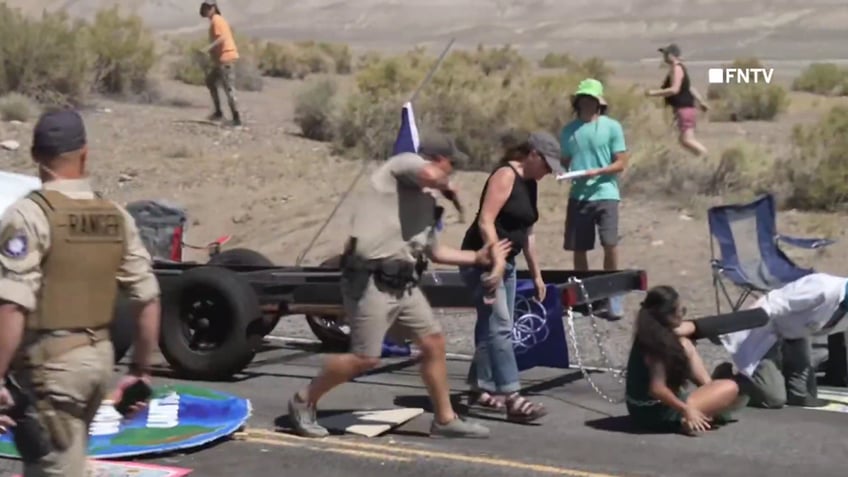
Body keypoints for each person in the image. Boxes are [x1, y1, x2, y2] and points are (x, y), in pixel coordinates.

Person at [288, 133, 510, 439]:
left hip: (404, 285)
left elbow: (435, 252)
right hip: (370, 280)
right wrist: (447, 186)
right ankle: (304, 399)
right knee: (365, 357)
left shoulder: (426, 203)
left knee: (433, 342)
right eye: (451, 162)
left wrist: (477, 256)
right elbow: (428, 174)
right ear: (437, 159)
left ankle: (445, 419)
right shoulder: (402, 165)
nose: (453, 169)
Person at [0, 110, 161, 476]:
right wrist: (141, 370)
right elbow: (147, 297)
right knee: (67, 462)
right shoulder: (115, 215)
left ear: (35, 156)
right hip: (97, 364)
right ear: (84, 153)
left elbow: (13, 305)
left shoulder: (28, 216)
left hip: (50, 373)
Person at [458, 131, 563, 422]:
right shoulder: (505, 175)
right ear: (532, 155)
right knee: (501, 326)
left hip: (508, 263)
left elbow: (527, 233)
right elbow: (485, 220)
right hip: (480, 261)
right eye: (546, 165)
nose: (547, 173)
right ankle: (512, 396)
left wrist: (538, 275)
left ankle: (479, 388)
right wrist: (495, 257)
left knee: (490, 326)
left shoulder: (530, 184)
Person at [717, 272, 848, 409]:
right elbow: (772, 304)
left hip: (795, 335)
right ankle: (727, 380)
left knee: (801, 395)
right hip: (766, 331)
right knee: (773, 398)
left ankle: (776, 377)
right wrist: (728, 325)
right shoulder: (823, 287)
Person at [625, 286, 740, 436]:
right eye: (681, 311)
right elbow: (657, 389)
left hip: (640, 408)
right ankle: (686, 418)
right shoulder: (657, 346)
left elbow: (688, 328)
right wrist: (686, 410)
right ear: (667, 315)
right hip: (653, 412)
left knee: (685, 344)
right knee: (730, 387)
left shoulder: (651, 329)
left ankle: (709, 390)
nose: (683, 315)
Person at [559, 78, 629, 319]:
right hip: (579, 196)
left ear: (599, 103)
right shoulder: (569, 131)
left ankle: (613, 293)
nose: (586, 103)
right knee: (579, 247)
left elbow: (621, 162)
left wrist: (597, 171)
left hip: (606, 194)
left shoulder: (612, 127)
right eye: (582, 99)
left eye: (591, 99)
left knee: (610, 244)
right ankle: (584, 294)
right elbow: (565, 161)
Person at [645, 44, 710, 158]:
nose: (664, 56)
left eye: (666, 54)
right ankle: (702, 159)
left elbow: (675, 89)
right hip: (684, 108)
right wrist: (700, 101)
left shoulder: (677, 68)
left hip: (683, 109)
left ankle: (706, 157)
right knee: (684, 140)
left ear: (671, 55)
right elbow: (689, 87)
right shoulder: (678, 68)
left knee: (687, 140)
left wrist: (653, 93)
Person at [199, 1, 242, 126]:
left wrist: (208, 48)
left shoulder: (217, 20)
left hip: (226, 59)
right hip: (221, 60)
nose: (205, 9)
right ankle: (218, 112)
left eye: (208, 7)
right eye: (204, 7)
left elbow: (222, 38)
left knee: (229, 89)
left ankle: (236, 118)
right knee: (211, 81)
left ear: (213, 8)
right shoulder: (216, 20)